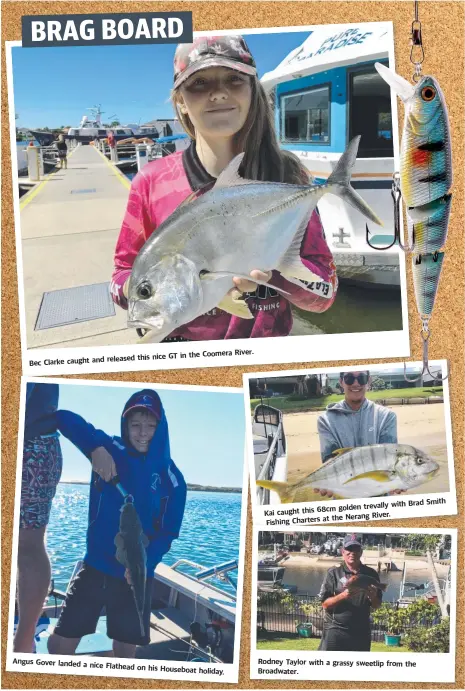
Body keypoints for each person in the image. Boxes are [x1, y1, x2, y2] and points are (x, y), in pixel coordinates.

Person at [110, 34, 338, 342]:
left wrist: (275, 271)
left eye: (233, 80)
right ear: (181, 101)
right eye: (199, 83)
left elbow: (325, 295)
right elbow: (122, 276)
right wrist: (140, 288)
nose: (218, 94)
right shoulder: (150, 183)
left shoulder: (288, 174)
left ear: (252, 92)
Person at [47, 390, 187, 658]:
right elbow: (62, 418)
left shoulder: (173, 478)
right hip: (95, 567)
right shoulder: (110, 447)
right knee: (60, 644)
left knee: (125, 648)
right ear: (126, 425)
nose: (142, 432)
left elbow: (168, 532)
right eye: (135, 424)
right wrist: (94, 448)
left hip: (136, 576)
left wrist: (143, 564)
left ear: (161, 427)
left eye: (150, 425)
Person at [14, 383, 62, 653]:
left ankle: (22, 643)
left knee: (27, 547)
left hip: (32, 445)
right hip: (40, 443)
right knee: (27, 547)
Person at [318, 534, 382, 651]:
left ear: (361, 552)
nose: (352, 552)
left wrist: (373, 597)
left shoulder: (371, 574)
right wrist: (344, 595)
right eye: (349, 549)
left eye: (356, 549)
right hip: (335, 629)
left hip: (361, 632)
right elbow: (325, 604)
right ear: (343, 551)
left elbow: (377, 605)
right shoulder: (334, 572)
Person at [318, 370, 398, 463]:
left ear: (368, 381)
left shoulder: (387, 417)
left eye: (361, 378)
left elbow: (388, 459)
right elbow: (330, 463)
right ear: (341, 382)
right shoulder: (325, 421)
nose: (356, 383)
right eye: (349, 378)